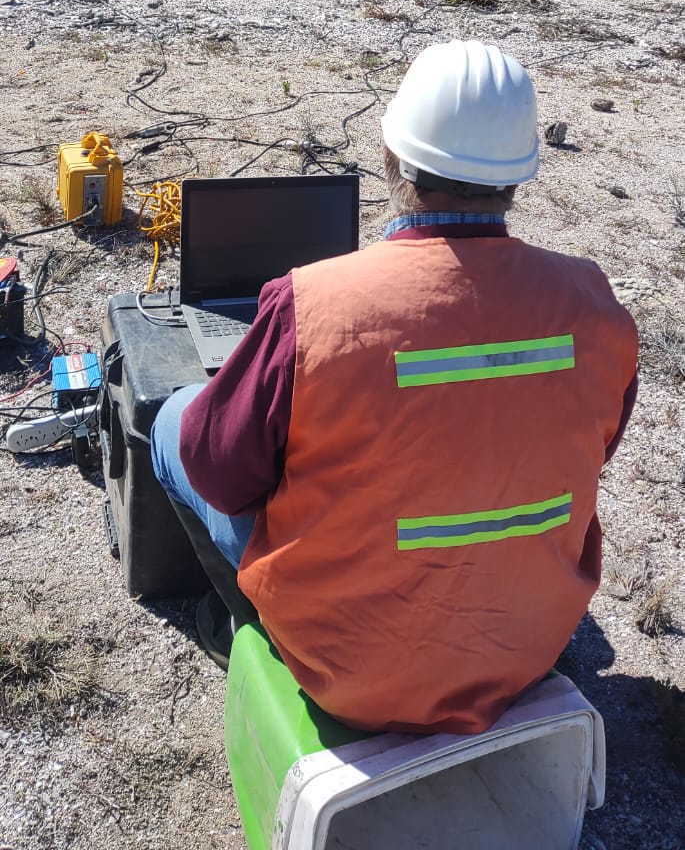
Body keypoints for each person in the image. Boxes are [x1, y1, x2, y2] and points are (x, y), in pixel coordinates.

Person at [151, 39, 638, 735]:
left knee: (174, 420)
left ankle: (237, 620)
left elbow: (219, 473)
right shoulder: (595, 304)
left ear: (393, 159)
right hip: (525, 651)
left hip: (348, 673)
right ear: (517, 179)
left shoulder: (313, 302)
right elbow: (592, 449)